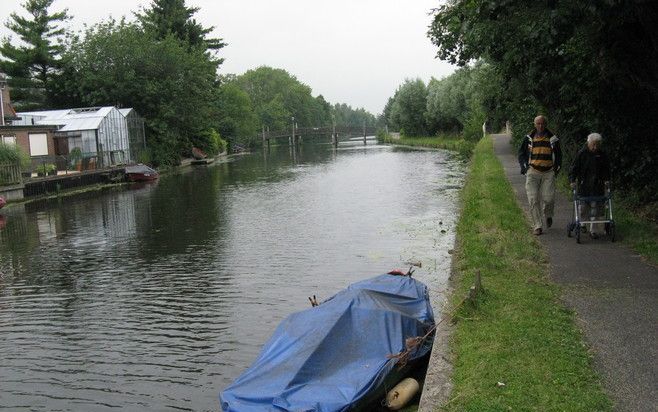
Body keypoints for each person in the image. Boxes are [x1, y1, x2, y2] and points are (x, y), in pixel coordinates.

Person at [518, 115, 562, 235]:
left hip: (548, 172)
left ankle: (548, 214)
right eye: (538, 124)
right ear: (535, 124)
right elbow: (521, 153)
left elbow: (559, 156)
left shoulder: (553, 139)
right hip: (532, 171)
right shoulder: (528, 139)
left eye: (542, 123)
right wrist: (524, 168)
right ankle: (537, 225)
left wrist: (556, 169)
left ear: (546, 124)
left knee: (549, 198)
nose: (540, 126)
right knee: (533, 199)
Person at [568, 133, 611, 238]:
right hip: (584, 185)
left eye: (597, 145)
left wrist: (606, 180)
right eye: (593, 144)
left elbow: (606, 169)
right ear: (588, 143)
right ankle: (582, 223)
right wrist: (572, 180)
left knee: (595, 207)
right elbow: (574, 168)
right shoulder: (581, 154)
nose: (595, 147)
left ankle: (593, 231)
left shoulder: (602, 154)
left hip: (598, 185)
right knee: (583, 207)